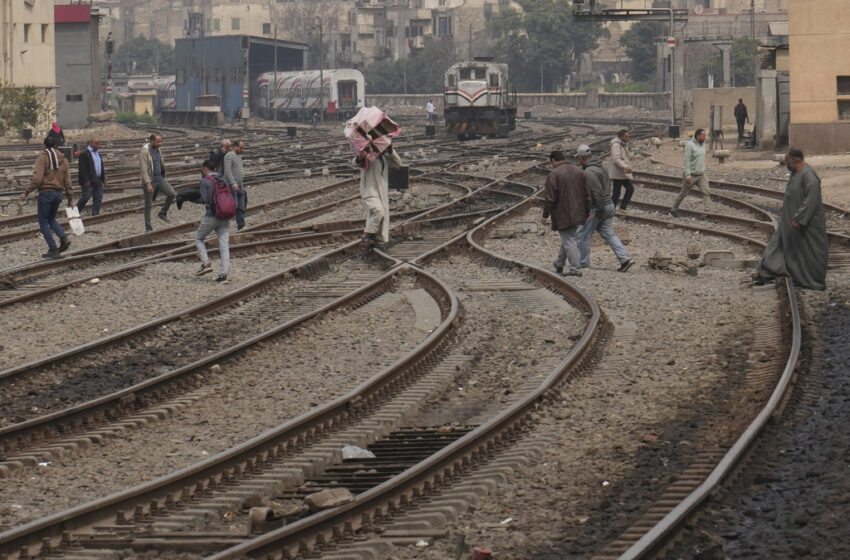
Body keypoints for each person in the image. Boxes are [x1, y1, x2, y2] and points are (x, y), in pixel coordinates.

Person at [753, 149, 828, 290]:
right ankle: (768, 270)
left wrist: (798, 219)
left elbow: (811, 201)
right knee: (778, 245)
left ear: (796, 160)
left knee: (808, 254)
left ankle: (813, 281)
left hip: (805, 225)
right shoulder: (795, 174)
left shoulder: (809, 176)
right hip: (789, 222)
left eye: (787, 160)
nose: (786, 163)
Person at [576, 144, 633, 272]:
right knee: (609, 234)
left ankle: (583, 263)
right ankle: (625, 259)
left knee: (583, 235)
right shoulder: (601, 166)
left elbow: (597, 192)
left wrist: (599, 209)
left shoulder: (589, 173)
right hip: (609, 205)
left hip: (598, 207)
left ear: (581, 158)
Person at [19, 137, 74, 259]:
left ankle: (53, 248)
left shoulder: (43, 158)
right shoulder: (64, 160)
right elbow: (68, 181)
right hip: (58, 194)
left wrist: (27, 192)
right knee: (51, 219)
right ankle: (63, 238)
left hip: (46, 193)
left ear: (44, 146)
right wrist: (70, 198)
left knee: (43, 221)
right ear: (55, 145)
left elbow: (37, 179)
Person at [541, 150, 591, 277]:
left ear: (553, 160)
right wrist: (587, 211)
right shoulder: (579, 171)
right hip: (578, 211)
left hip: (562, 213)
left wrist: (545, 214)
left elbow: (550, 197)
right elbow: (587, 194)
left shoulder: (554, 174)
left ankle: (575, 269)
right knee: (569, 238)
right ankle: (559, 263)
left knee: (569, 241)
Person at [193, 159, 232, 283]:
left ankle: (205, 263)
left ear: (205, 169)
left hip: (212, 215)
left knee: (199, 238)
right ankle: (223, 274)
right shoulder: (223, 178)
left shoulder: (205, 181)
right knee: (224, 244)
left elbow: (204, 199)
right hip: (226, 215)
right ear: (215, 169)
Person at [356, 144, 402, 248]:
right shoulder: (367, 154)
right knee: (378, 211)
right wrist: (360, 157)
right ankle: (366, 235)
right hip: (369, 191)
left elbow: (398, 164)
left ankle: (377, 239)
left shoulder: (385, 157)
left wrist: (391, 151)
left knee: (378, 214)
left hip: (381, 191)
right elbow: (356, 162)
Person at [139, 132, 176, 231]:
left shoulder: (158, 149)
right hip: (150, 181)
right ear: (151, 141)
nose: (160, 143)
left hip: (160, 179)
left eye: (160, 141)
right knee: (148, 204)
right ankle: (148, 226)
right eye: (158, 141)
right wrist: (148, 184)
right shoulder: (144, 152)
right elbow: (143, 169)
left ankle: (162, 213)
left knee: (172, 194)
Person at [669, 128, 711, 217]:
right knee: (683, 193)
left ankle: (707, 212)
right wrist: (687, 175)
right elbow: (687, 161)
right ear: (698, 136)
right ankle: (673, 210)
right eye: (703, 136)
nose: (705, 138)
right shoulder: (690, 145)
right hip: (691, 175)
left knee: (706, 191)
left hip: (701, 174)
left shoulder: (703, 144)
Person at [76, 136, 106, 216]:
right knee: (85, 197)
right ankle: (75, 212)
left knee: (98, 198)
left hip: (98, 179)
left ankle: (95, 214)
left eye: (99, 144)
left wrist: (103, 179)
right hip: (89, 181)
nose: (98, 145)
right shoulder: (84, 153)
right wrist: (86, 180)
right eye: (96, 144)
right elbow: (82, 169)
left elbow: (101, 166)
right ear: (91, 143)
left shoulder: (97, 153)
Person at [609, 129, 635, 212]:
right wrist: (626, 166)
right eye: (626, 137)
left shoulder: (623, 144)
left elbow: (624, 155)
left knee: (628, 189)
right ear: (621, 137)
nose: (628, 138)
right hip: (618, 172)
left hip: (622, 172)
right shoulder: (616, 145)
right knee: (617, 193)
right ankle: (613, 209)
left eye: (628, 136)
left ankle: (622, 207)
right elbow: (616, 159)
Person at [223, 139, 247, 230]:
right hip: (231, 186)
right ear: (235, 146)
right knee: (234, 206)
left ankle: (241, 225)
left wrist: (241, 183)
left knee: (241, 206)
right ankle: (221, 224)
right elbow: (227, 171)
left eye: (243, 148)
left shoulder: (239, 156)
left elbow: (239, 171)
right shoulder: (228, 156)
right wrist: (233, 183)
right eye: (241, 148)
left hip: (240, 186)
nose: (242, 150)